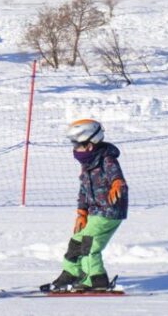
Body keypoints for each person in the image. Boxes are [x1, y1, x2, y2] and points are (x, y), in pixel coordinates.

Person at [40, 119, 128, 293]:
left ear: (90, 145)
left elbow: (115, 175)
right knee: (77, 241)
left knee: (89, 244)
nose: (75, 149)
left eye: (77, 145)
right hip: (96, 212)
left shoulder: (107, 160)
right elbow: (84, 190)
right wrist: (82, 212)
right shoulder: (88, 164)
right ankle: (72, 273)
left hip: (109, 211)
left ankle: (96, 279)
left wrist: (117, 182)